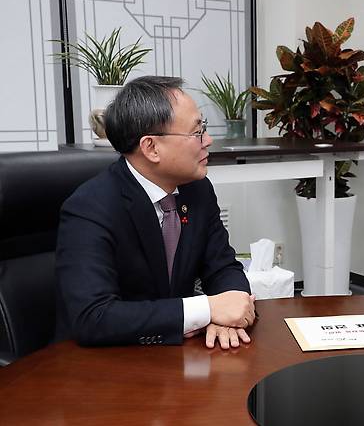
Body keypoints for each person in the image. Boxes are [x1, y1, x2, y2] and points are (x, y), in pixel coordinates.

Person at [56, 76, 255, 349]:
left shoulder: (197, 190)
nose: (207, 140)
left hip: (176, 360)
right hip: (104, 369)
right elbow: (94, 317)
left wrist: (229, 312)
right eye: (197, 132)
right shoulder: (90, 208)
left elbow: (223, 267)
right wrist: (207, 309)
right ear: (151, 147)